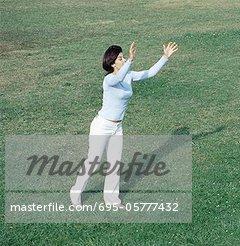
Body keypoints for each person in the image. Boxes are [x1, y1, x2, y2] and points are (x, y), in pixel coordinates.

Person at [70, 41, 178, 207]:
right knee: (93, 161)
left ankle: (112, 200)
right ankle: (75, 193)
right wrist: (131, 60)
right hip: (102, 126)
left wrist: (164, 57)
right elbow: (118, 77)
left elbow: (149, 73)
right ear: (113, 63)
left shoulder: (128, 75)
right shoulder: (109, 80)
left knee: (115, 163)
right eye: (121, 58)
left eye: (123, 57)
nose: (124, 59)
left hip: (117, 128)